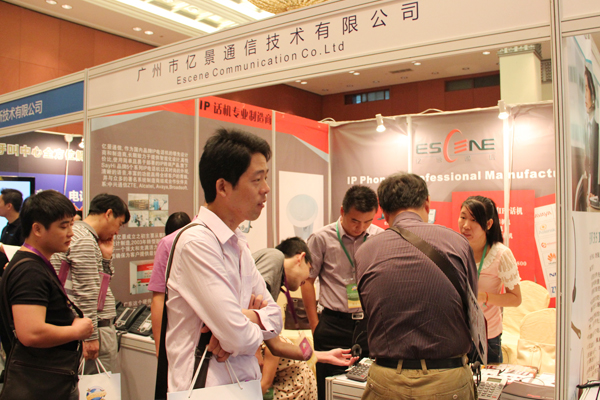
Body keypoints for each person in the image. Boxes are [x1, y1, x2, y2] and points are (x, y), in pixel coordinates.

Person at [164, 128, 282, 392]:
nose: (266, 189)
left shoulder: (237, 243)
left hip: (242, 386)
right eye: (257, 180)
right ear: (222, 187)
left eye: (265, 178)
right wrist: (239, 329)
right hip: (205, 388)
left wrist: (242, 319)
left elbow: (276, 319)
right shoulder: (197, 243)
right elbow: (237, 337)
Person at [356, 173, 478, 400]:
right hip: (448, 380)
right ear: (427, 203)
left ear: (383, 211)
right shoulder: (457, 243)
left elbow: (369, 310)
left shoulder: (365, 252)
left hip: (386, 381)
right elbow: (472, 308)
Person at [0, 190, 93, 399]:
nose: (71, 233)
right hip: (40, 384)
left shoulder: (33, 264)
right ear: (37, 229)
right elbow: (31, 333)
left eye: (71, 225)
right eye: (63, 226)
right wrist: (76, 331)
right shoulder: (30, 271)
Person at [301, 185, 383, 400]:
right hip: (333, 324)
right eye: (355, 221)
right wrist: (315, 325)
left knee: (369, 388)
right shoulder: (321, 238)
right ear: (342, 211)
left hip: (368, 326)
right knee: (329, 388)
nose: (360, 227)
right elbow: (307, 280)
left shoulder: (380, 237)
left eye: (367, 221)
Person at [50, 193, 130, 374]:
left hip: (84, 327)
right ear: (108, 214)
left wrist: (106, 259)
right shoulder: (84, 239)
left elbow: (97, 285)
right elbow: (87, 292)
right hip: (94, 328)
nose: (117, 231)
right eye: (119, 224)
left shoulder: (78, 235)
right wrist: (91, 336)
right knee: (96, 386)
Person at [253, 237, 358, 366]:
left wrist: (325, 355)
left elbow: (277, 346)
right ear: (301, 258)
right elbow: (251, 301)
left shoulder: (276, 283)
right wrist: (255, 351)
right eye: (309, 268)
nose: (307, 277)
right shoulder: (275, 257)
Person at [458, 195, 521, 364]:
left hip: (487, 337)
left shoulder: (500, 254)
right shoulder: (455, 248)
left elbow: (516, 298)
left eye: (474, 220)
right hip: (457, 334)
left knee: (486, 380)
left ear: (488, 224)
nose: (466, 225)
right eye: (463, 217)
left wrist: (484, 297)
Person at [149, 211, 192, 355]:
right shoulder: (204, 240)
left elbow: (158, 298)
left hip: (176, 330)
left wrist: (159, 347)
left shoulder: (167, 243)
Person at [585, 66, 600, 209]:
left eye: (586, 89)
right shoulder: (586, 126)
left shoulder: (596, 128)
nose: (584, 96)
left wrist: (595, 191)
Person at [0, 189, 24, 272]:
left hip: (15, 274)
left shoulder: (23, 227)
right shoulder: (5, 228)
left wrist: (1, 247)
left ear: (9, 206)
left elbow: (24, 252)